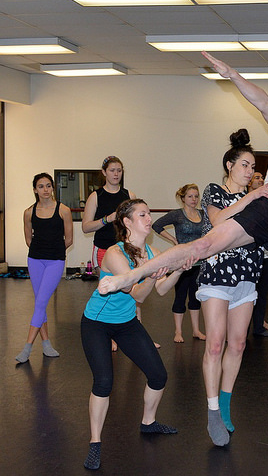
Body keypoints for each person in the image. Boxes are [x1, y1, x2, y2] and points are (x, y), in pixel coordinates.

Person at [98, 52, 268, 384]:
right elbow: (264, 103)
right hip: (266, 211)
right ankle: (130, 277)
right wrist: (234, 75)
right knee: (203, 246)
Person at [81, 199, 192, 470]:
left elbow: (163, 290)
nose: (148, 218)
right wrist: (154, 276)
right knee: (104, 381)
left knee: (158, 375)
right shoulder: (115, 254)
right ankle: (95, 442)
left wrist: (178, 270)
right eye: (142, 214)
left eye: (148, 213)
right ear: (127, 222)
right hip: (97, 322)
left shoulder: (151, 252)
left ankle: (149, 423)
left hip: (127, 323)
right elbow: (139, 294)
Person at [197, 129, 268, 446]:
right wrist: (252, 196)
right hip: (217, 275)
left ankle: (225, 406)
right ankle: (212, 410)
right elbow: (218, 223)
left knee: (238, 345)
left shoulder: (256, 201)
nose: (250, 171)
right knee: (215, 344)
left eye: (253, 166)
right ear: (229, 165)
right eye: (245, 164)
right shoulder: (214, 191)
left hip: (247, 275)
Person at [82, 156, 145, 350]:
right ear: (104, 172)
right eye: (112, 170)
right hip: (103, 249)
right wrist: (107, 219)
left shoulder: (129, 194)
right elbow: (86, 227)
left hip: (125, 249)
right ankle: (109, 334)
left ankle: (139, 336)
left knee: (134, 290)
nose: (116, 174)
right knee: (111, 291)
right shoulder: (96, 196)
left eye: (119, 170)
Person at [15, 173, 73, 363]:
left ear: (53, 188)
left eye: (48, 186)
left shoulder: (63, 210)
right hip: (35, 260)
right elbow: (28, 240)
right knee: (41, 302)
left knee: (40, 303)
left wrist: (55, 251)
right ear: (35, 190)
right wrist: (40, 251)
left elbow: (69, 239)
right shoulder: (29, 212)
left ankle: (27, 347)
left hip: (55, 260)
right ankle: (46, 343)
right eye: (41, 186)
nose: (45, 190)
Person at [152, 184, 206, 343]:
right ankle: (178, 331)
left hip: (199, 262)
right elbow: (156, 225)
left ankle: (196, 330)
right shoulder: (177, 215)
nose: (194, 199)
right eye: (190, 196)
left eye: (196, 196)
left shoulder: (203, 214)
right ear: (183, 198)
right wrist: (174, 240)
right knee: (180, 296)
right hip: (182, 263)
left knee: (195, 297)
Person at [250, 171, 268, 336]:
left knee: (262, 292)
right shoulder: (245, 200)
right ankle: (241, 328)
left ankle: (258, 325)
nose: (260, 180)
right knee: (247, 292)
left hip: (267, 256)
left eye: (261, 177)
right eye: (256, 177)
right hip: (251, 256)